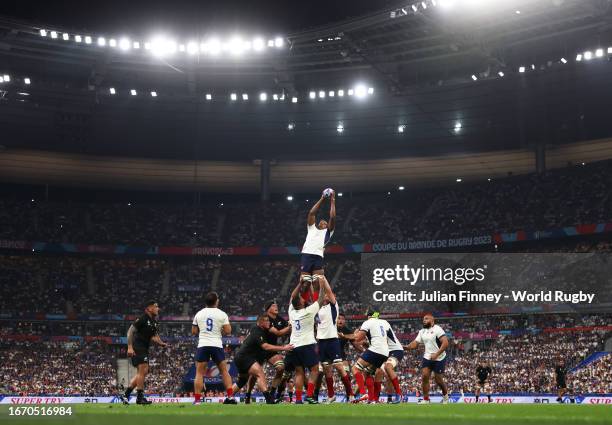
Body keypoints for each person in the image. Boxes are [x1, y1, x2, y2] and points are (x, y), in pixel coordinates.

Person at [286, 276, 330, 404]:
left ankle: (298, 399)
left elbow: (292, 297)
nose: (302, 297)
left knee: (299, 372)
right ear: (300, 303)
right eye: (301, 298)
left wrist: (299, 284)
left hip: (294, 346)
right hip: (307, 345)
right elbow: (320, 300)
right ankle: (309, 396)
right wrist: (321, 286)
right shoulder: (308, 311)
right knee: (315, 369)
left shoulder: (292, 312)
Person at [232, 314, 293, 404]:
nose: (269, 322)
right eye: (266, 321)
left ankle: (228, 397)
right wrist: (284, 348)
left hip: (241, 357)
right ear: (260, 323)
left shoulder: (257, 330)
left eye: (269, 320)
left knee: (241, 381)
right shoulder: (258, 331)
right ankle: (269, 399)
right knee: (260, 374)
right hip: (245, 357)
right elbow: (266, 346)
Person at [119, 301, 168, 405]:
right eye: (155, 307)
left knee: (143, 372)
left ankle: (126, 394)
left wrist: (161, 343)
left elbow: (154, 336)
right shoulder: (142, 318)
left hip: (144, 348)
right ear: (149, 308)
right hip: (137, 346)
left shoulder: (154, 322)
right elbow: (130, 332)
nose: (157, 309)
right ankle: (139, 398)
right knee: (143, 370)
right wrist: (129, 347)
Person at [191, 292, 235, 405]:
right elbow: (228, 331)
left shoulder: (199, 314)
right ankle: (230, 397)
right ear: (216, 301)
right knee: (224, 371)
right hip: (216, 344)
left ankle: (197, 401)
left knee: (199, 373)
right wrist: (219, 330)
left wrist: (204, 330)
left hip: (203, 344)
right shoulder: (222, 314)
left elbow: (194, 332)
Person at [314, 279, 354, 403]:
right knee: (327, 370)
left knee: (339, 367)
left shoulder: (333, 307)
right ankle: (331, 396)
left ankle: (351, 395)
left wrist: (323, 278)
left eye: (327, 295)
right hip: (321, 342)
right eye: (324, 295)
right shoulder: (317, 308)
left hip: (332, 341)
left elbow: (329, 291)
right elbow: (316, 294)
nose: (326, 295)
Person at [404, 313, 449, 404]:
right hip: (427, 357)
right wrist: (407, 347)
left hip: (439, 357)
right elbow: (415, 343)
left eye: (426, 319)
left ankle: (445, 395)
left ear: (432, 321)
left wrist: (436, 354)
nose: (424, 320)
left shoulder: (437, 329)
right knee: (424, 376)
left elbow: (445, 343)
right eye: (423, 319)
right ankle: (425, 399)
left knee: (438, 380)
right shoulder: (422, 331)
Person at [299, 190, 336, 302]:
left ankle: (316, 305)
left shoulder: (328, 233)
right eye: (321, 221)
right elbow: (311, 213)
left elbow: (333, 217)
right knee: (305, 283)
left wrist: (332, 200)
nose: (323, 222)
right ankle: (304, 304)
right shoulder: (311, 228)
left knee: (317, 284)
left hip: (318, 257)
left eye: (325, 223)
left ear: (327, 226)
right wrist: (322, 198)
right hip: (307, 255)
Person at [351, 308, 391, 403]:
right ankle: (372, 399)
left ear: (369, 317)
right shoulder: (382, 323)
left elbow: (357, 338)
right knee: (367, 372)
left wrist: (355, 334)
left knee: (355, 368)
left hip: (376, 351)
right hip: (385, 352)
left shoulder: (368, 322)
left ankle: (363, 393)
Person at [263, 300, 292, 402]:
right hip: (259, 349)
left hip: (271, 349)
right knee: (252, 376)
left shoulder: (280, 319)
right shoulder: (264, 319)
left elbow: (288, 329)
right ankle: (248, 396)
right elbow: (278, 333)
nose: (276, 307)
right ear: (268, 309)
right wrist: (289, 327)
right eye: (274, 305)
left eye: (276, 305)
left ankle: (272, 393)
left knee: (280, 368)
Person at [382, 323, 404, 403]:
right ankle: (389, 398)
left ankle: (399, 394)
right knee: (387, 377)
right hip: (386, 353)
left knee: (388, 367)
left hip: (396, 350)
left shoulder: (383, 325)